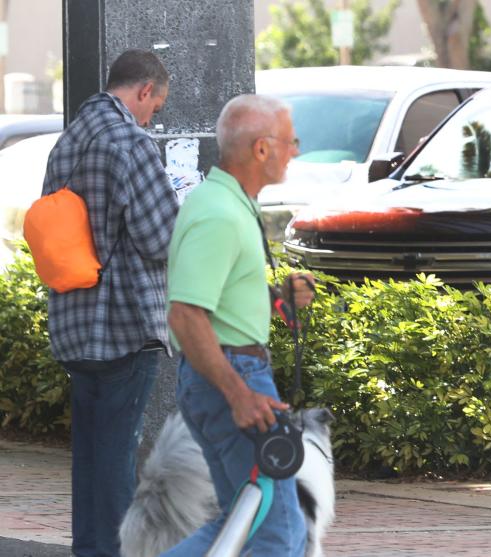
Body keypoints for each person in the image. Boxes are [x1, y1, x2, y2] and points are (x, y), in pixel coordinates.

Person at [161, 94, 315, 556]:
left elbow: (219, 303)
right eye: (291, 141)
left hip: (226, 374)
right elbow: (186, 315)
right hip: (232, 379)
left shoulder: (225, 203)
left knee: (245, 524)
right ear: (262, 148)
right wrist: (239, 394)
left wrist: (275, 299)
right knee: (278, 534)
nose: (296, 151)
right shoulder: (220, 215)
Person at [40, 49, 178, 557]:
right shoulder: (129, 141)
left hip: (75, 322)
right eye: (155, 107)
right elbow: (161, 238)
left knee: (92, 457)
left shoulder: (67, 142)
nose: (152, 117)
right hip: (123, 322)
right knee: (119, 458)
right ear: (144, 91)